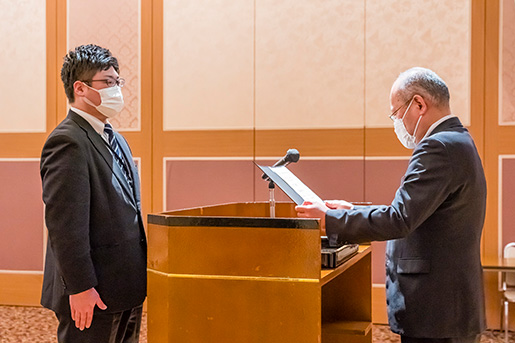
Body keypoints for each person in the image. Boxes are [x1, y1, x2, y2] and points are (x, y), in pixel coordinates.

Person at [296, 67, 486, 343]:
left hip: (436, 309)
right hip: (447, 307)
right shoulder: (457, 141)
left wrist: (330, 219)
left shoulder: (437, 147)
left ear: (419, 104)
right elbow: (415, 211)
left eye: (397, 113)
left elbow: (399, 219)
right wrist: (348, 211)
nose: (398, 122)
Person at [40, 44, 147, 343]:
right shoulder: (67, 141)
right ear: (81, 88)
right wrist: (80, 287)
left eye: (118, 82)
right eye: (108, 82)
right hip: (92, 289)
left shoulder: (115, 137)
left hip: (125, 284)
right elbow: (65, 225)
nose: (116, 89)